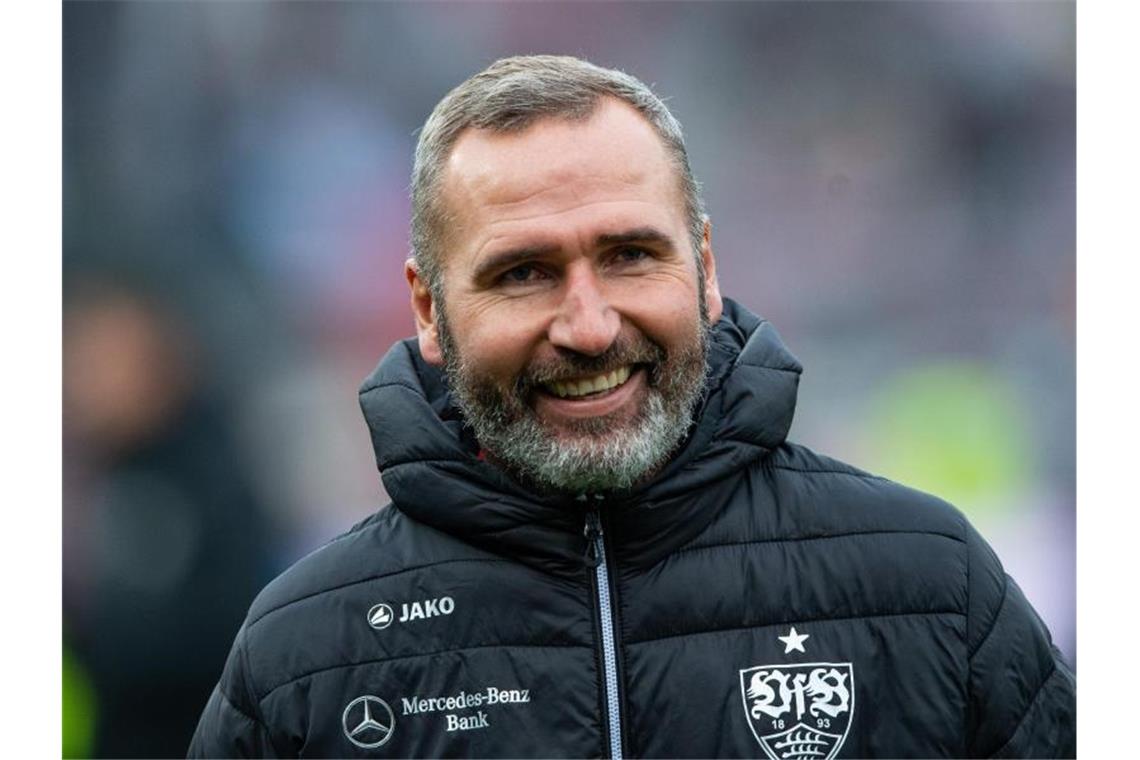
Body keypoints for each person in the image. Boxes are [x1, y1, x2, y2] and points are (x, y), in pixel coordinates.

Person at [189, 55, 1075, 758]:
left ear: (707, 268)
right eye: (523, 273)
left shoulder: (930, 583)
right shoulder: (304, 655)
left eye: (629, 255)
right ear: (427, 308)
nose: (588, 325)